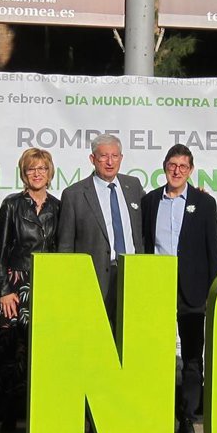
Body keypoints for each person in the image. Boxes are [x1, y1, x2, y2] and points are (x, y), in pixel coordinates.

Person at [141, 145, 217, 433]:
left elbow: (213, 249)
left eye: (183, 166)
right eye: (172, 165)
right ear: (164, 167)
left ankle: (187, 417)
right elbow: (144, 244)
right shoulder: (150, 201)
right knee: (156, 356)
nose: (177, 171)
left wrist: (214, 290)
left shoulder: (204, 203)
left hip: (193, 292)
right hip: (158, 289)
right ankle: (161, 411)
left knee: (192, 358)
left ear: (191, 170)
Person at [0, 148, 60, 432]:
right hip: (16, 284)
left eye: (42, 168)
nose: (37, 174)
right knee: (12, 352)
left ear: (49, 172)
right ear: (24, 173)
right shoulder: (11, 205)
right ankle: (8, 415)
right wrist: (4, 289)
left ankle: (40, 412)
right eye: (32, 169)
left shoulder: (58, 207)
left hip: (46, 282)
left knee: (43, 350)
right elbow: (0, 250)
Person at [57, 134, 144, 327]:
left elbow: (151, 215)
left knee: (131, 330)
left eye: (115, 156)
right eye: (104, 156)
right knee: (97, 330)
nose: (110, 162)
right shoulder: (74, 194)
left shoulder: (134, 186)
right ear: (92, 159)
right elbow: (65, 245)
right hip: (93, 277)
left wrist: (193, 194)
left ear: (121, 158)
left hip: (132, 273)